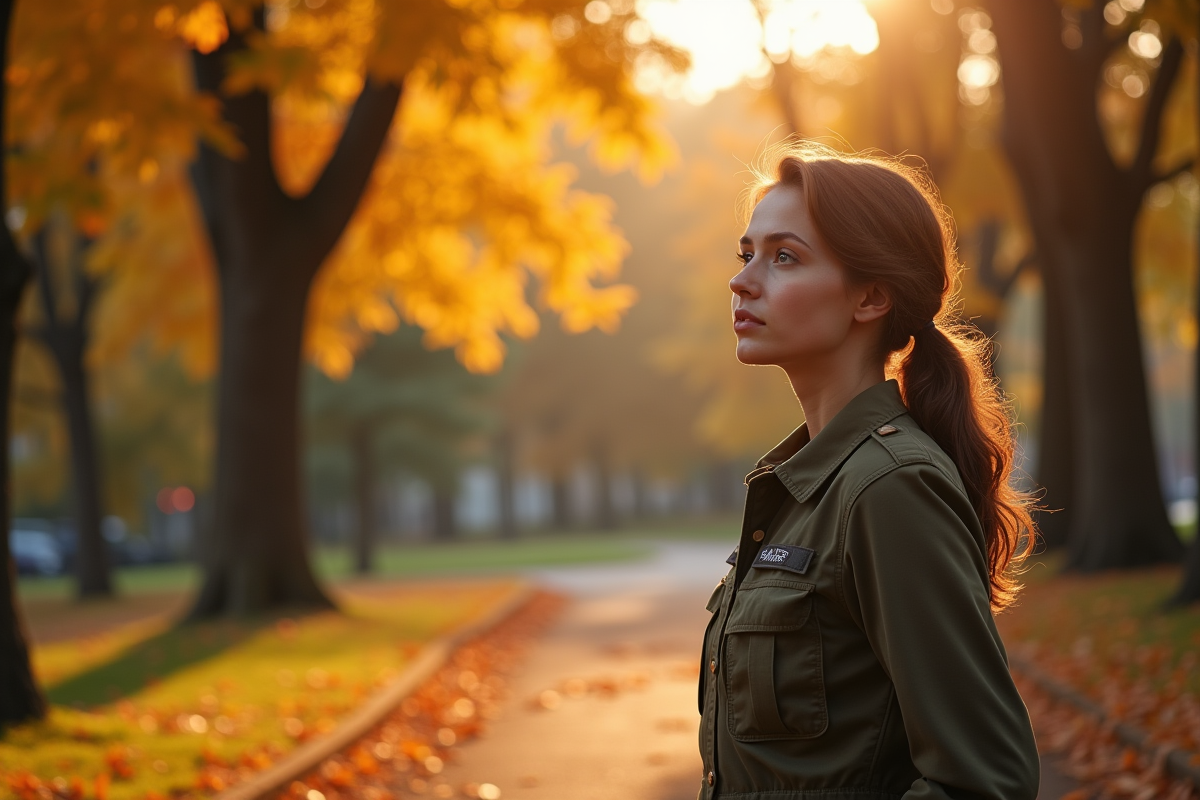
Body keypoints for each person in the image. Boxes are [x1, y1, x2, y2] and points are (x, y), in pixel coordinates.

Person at [697, 141, 1040, 800]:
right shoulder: (800, 489)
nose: (742, 280)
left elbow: (983, 780)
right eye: (747, 254)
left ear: (870, 297)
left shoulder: (888, 487)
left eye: (784, 258)